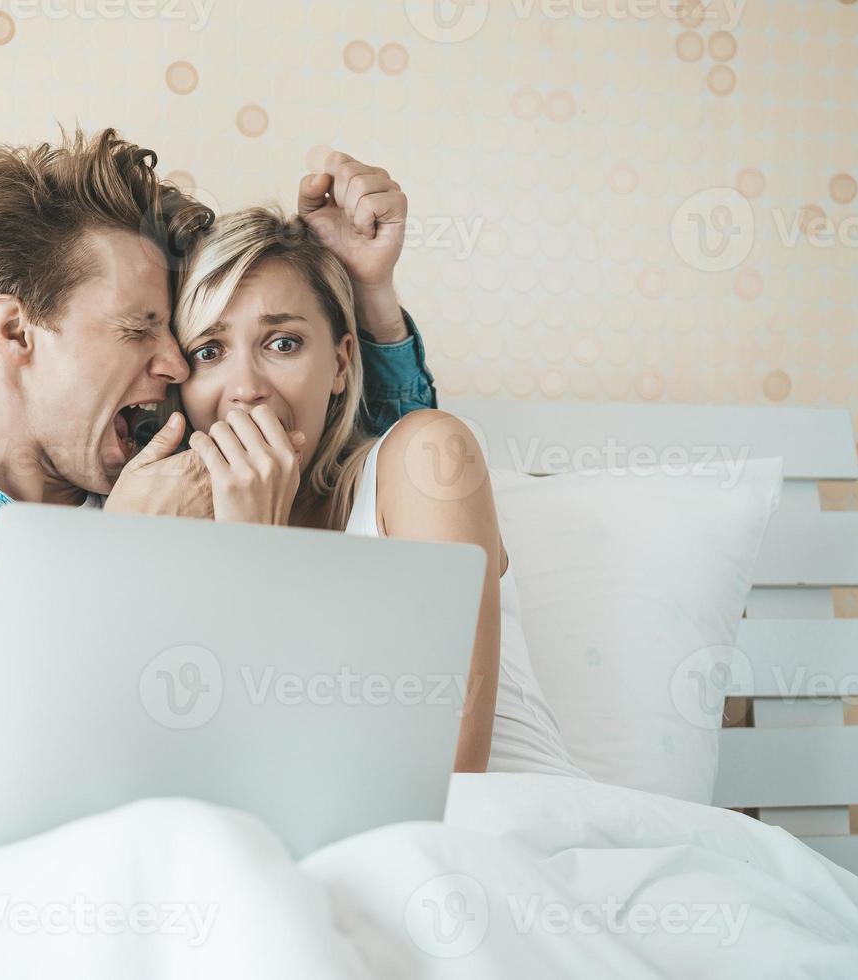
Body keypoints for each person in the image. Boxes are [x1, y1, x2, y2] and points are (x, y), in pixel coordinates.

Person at [0, 129, 439, 880]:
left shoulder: (170, 477)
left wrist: (369, 300)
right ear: (17, 331)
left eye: (180, 338)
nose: (175, 363)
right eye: (139, 329)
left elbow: (376, 479)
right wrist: (120, 552)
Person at [171, 202, 583, 779]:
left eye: (282, 343)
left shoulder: (426, 459)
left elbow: (449, 768)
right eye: (208, 352)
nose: (245, 388)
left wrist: (254, 551)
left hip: (502, 834)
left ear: (341, 364)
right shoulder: (167, 545)